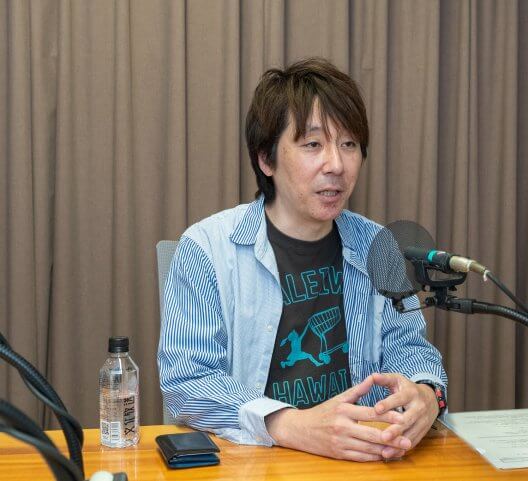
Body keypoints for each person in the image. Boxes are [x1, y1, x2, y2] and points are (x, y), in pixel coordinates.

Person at [158, 57, 447, 462]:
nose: (336, 165)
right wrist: (290, 425)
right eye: (313, 144)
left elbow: (409, 346)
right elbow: (188, 382)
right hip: (257, 460)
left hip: (363, 458)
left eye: (348, 144)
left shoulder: (379, 247)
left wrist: (427, 393)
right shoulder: (206, 249)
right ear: (266, 159)